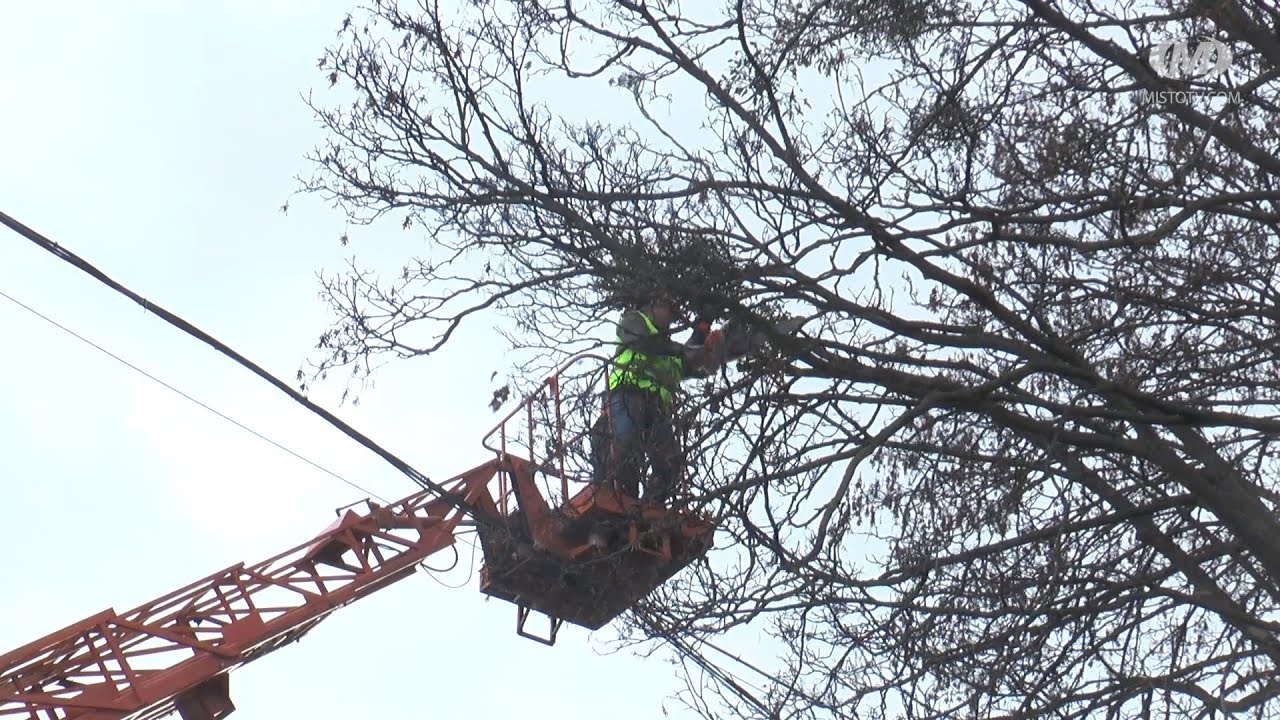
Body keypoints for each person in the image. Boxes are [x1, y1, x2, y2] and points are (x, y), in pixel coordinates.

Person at [590, 289, 720, 505]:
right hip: (627, 396)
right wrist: (683, 351)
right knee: (624, 453)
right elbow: (646, 343)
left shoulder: (668, 351)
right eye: (670, 311)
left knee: (670, 462)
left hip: (656, 408)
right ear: (655, 304)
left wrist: (703, 330)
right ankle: (618, 502)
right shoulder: (633, 321)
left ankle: (650, 505)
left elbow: (685, 361)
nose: (672, 319)